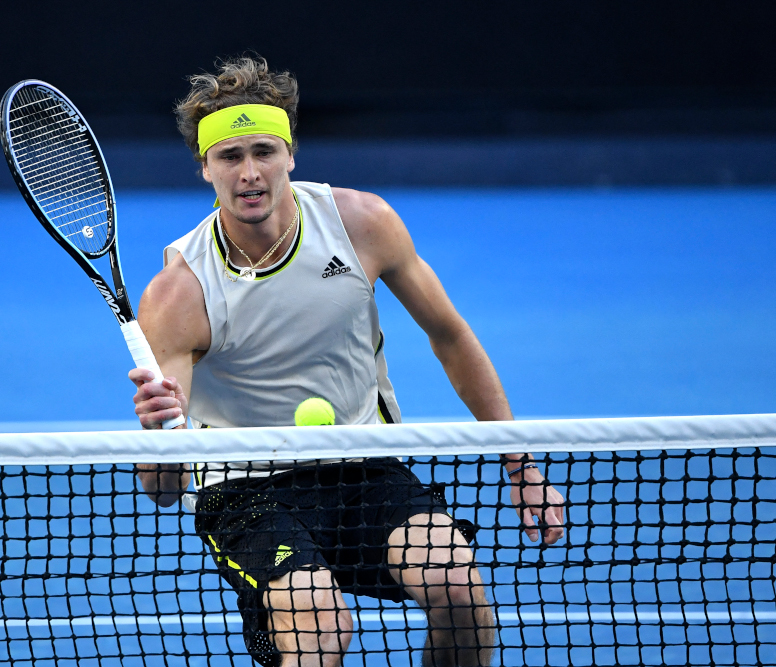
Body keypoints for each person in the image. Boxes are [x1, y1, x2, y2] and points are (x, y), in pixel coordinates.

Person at [129, 56, 565, 667]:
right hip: (248, 491)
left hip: (364, 466)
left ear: (291, 155)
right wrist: (157, 433)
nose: (250, 173)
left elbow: (450, 336)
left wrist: (521, 467)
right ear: (206, 168)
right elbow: (164, 489)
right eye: (230, 157)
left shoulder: (361, 225)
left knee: (459, 588)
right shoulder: (178, 294)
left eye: (264, 151)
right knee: (318, 622)